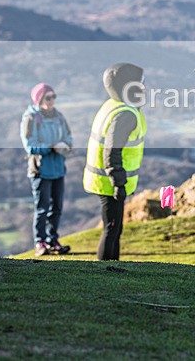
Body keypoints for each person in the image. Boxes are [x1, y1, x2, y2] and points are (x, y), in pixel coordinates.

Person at [83, 63, 147, 261]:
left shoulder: (113, 106)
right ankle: (105, 273)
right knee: (111, 229)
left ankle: (112, 270)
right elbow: (112, 150)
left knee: (114, 228)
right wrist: (118, 182)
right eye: (140, 84)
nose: (144, 88)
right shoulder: (124, 115)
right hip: (110, 182)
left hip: (105, 179)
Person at [20, 83, 73, 257]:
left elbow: (69, 138)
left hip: (58, 168)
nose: (51, 101)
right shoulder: (31, 118)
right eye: (48, 97)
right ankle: (40, 242)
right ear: (39, 99)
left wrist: (63, 147)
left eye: (53, 97)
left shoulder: (59, 117)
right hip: (40, 170)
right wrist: (51, 147)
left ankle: (52, 239)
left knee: (57, 207)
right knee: (42, 208)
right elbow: (30, 145)